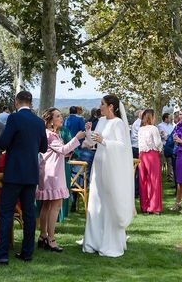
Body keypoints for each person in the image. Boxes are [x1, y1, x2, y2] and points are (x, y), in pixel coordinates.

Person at [0, 91, 47, 265]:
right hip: (31, 173)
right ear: (31, 103)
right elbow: (44, 147)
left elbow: (3, 143)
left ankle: (2, 254)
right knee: (28, 214)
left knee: (6, 213)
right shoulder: (39, 122)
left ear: (17, 102)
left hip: (14, 173)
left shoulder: (14, 119)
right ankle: (27, 252)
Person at [81, 94, 135, 257]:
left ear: (111, 106)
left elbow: (122, 146)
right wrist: (89, 132)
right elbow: (92, 143)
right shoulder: (102, 121)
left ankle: (109, 242)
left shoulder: (118, 123)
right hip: (98, 164)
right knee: (96, 201)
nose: (100, 107)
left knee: (109, 202)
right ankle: (93, 240)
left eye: (102, 104)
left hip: (112, 167)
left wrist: (104, 141)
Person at [35, 107, 84, 252]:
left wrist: (65, 153)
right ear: (50, 121)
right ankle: (51, 239)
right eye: (57, 116)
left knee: (46, 206)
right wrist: (77, 138)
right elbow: (62, 149)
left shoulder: (49, 134)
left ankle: (43, 236)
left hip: (47, 172)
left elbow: (59, 151)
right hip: (54, 174)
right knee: (55, 206)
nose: (61, 118)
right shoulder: (51, 135)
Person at [138, 109, 163, 214]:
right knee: (154, 180)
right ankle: (154, 207)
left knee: (143, 180)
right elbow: (157, 143)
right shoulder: (154, 128)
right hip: (152, 155)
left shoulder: (141, 129)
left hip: (142, 155)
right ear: (151, 117)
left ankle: (144, 205)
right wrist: (161, 149)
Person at [157, 112, 175, 181]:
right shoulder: (160, 125)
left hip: (170, 146)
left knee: (170, 162)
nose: (171, 119)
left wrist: (170, 137)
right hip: (163, 145)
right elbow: (164, 135)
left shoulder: (171, 126)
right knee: (161, 161)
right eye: (169, 118)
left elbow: (172, 135)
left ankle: (170, 177)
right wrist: (168, 137)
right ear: (165, 118)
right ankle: (159, 176)